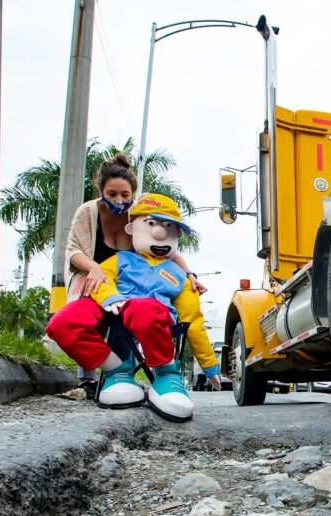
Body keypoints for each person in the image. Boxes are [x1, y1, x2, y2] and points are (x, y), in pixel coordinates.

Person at [47, 194, 220, 421]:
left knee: (145, 308)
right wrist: (111, 298)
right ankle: (116, 370)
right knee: (63, 322)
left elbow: (193, 323)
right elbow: (101, 281)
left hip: (154, 319)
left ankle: (167, 374)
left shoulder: (181, 277)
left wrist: (210, 367)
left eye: (168, 226)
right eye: (151, 224)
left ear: (176, 233)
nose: (159, 232)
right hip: (115, 307)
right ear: (132, 228)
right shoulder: (121, 259)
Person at [60, 153, 206, 392]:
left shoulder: (140, 215)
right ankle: (91, 375)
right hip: (95, 277)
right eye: (112, 194)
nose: (119, 200)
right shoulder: (88, 213)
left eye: (124, 195)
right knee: (86, 322)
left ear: (133, 194)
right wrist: (94, 267)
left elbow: (164, 251)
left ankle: (125, 374)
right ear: (101, 192)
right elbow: (73, 251)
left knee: (128, 323)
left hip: (130, 287)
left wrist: (190, 274)